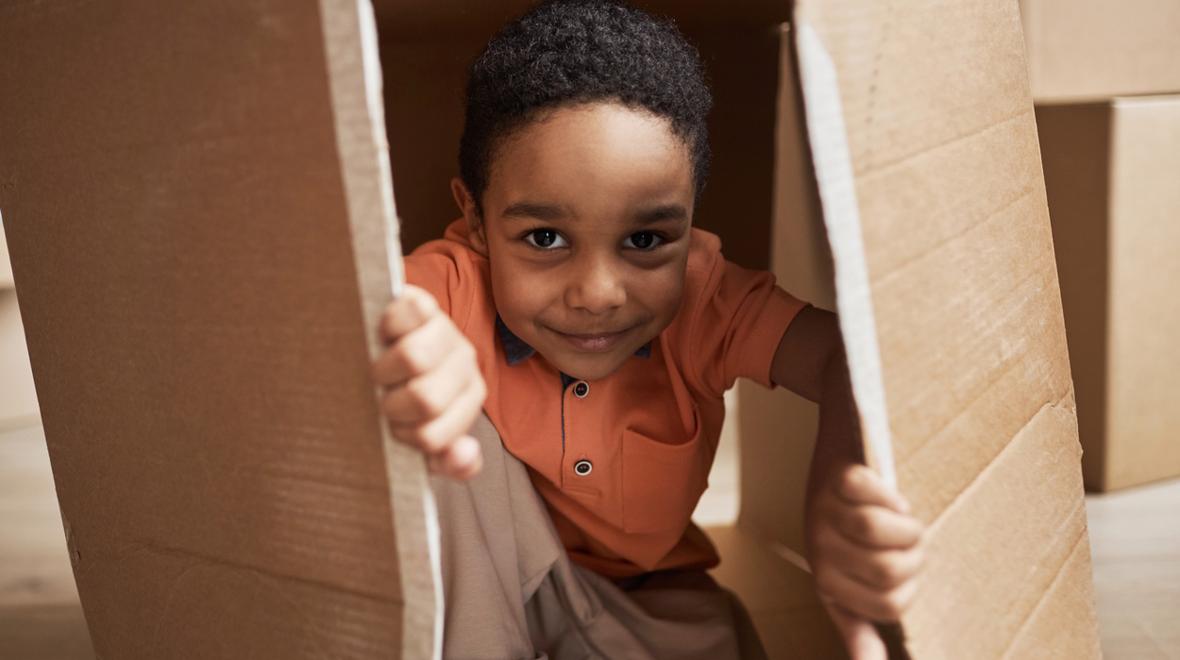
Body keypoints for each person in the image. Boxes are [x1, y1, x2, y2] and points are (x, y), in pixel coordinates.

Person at [369, 1, 925, 657]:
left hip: (651, 602)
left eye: (645, 239)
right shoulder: (455, 283)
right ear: (477, 219)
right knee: (437, 416)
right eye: (545, 238)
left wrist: (837, 488)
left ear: (688, 220)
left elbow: (848, 357)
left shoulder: (704, 300)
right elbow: (370, 317)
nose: (599, 294)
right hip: (491, 597)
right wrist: (410, 358)